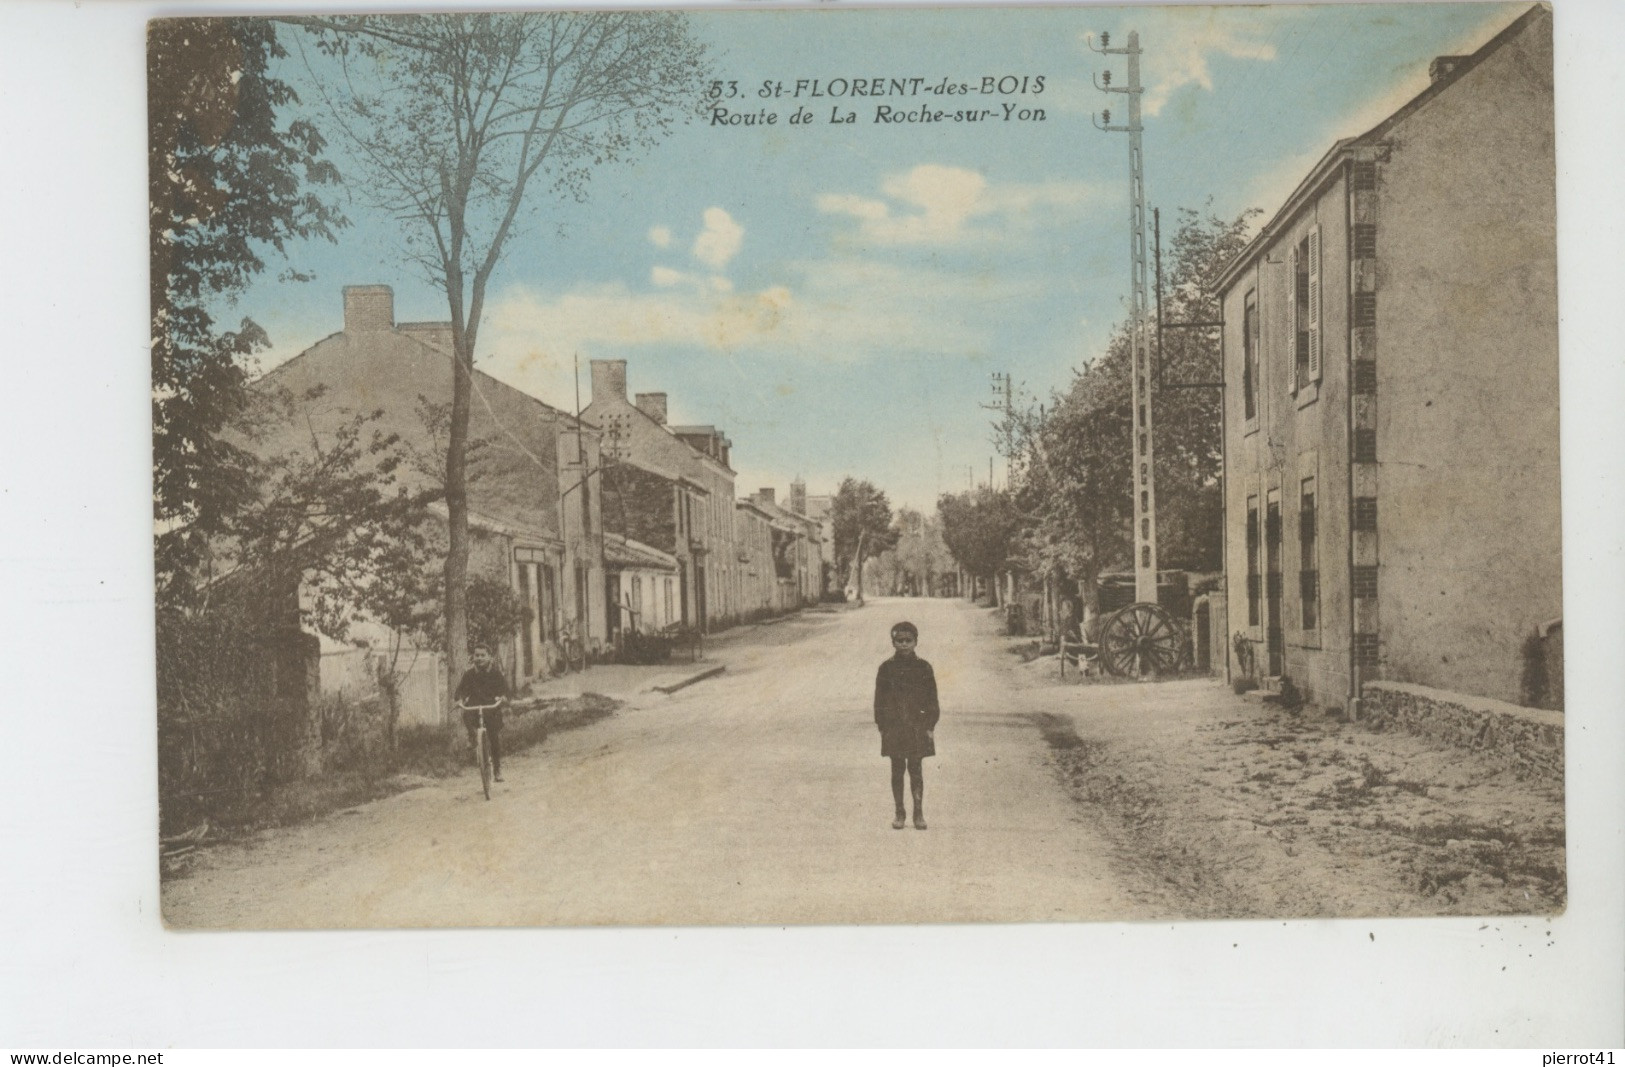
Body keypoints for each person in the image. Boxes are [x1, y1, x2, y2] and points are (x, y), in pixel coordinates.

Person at [873, 621, 940, 830]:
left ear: (916, 642)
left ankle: (918, 813)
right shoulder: (886, 668)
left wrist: (930, 725)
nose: (904, 645)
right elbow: (879, 701)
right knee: (896, 770)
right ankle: (899, 812)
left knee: (916, 769)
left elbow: (932, 699)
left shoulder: (924, 668)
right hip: (894, 727)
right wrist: (882, 726)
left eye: (908, 641)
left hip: (917, 727)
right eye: (899, 641)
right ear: (893, 643)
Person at [456, 642, 509, 782]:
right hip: (475, 707)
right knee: (466, 714)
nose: (479, 658)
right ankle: (473, 737)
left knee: (494, 739)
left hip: (491, 708)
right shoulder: (469, 674)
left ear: (490, 657)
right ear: (473, 657)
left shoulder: (496, 673)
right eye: (476, 655)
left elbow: (505, 689)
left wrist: (502, 697)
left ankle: (497, 770)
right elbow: (461, 690)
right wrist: (460, 699)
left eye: (482, 655)